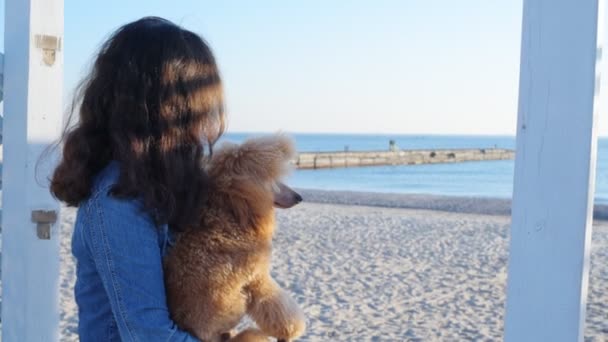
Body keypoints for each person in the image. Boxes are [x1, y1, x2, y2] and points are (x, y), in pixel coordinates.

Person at [50, 17, 225, 341]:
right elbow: (150, 335)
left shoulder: (159, 184)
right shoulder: (117, 202)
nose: (204, 124)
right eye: (199, 107)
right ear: (172, 110)